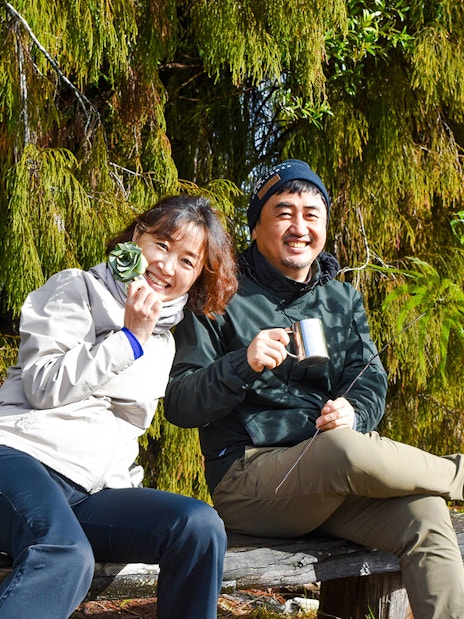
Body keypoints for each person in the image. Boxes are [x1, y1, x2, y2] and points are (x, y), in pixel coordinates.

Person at [165, 160, 464, 619]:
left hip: (330, 487)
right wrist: (240, 364)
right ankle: (457, 474)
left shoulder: (340, 298)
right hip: (249, 480)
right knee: (343, 450)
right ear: (256, 224)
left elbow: (370, 381)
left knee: (425, 514)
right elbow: (181, 403)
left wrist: (354, 413)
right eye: (284, 212)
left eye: (312, 214)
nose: (299, 227)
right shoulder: (217, 293)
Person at [0, 194, 238, 619]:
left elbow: (124, 427)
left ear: (199, 276)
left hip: (89, 491)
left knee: (199, 526)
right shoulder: (78, 287)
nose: (167, 266)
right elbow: (41, 386)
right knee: (65, 555)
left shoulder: (164, 341)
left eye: (187, 261)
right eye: (161, 245)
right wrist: (127, 340)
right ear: (135, 239)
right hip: (20, 456)